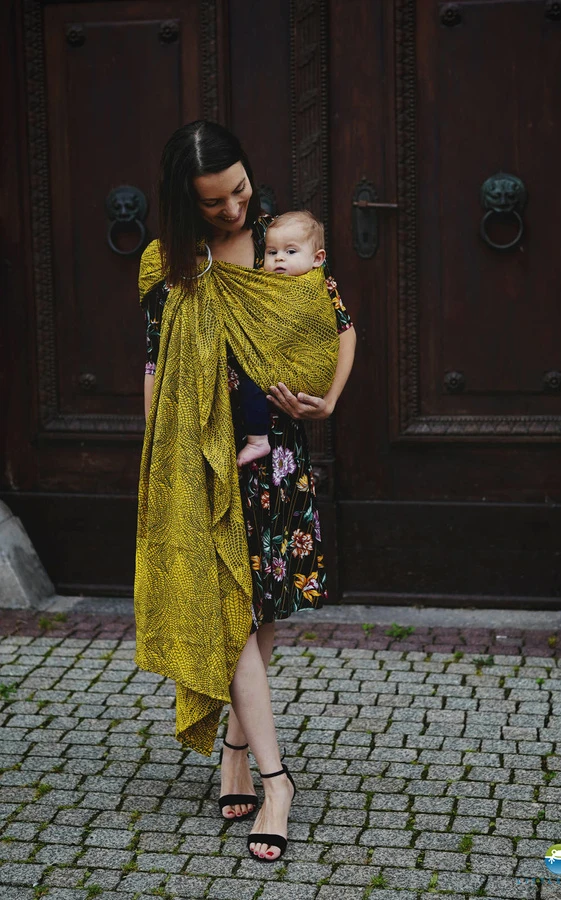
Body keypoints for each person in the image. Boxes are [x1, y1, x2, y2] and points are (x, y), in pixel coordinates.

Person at [136, 120, 356, 863]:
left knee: (258, 615)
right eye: (213, 201)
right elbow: (154, 363)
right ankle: (275, 780)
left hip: (274, 459)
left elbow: (338, 323)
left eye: (239, 190)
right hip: (203, 462)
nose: (233, 209)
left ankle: (234, 749)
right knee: (230, 616)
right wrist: (162, 465)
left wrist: (328, 400)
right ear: (183, 200)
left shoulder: (278, 241)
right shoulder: (168, 263)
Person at [236, 210, 327, 467]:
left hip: (298, 372)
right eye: (272, 252)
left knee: (251, 376)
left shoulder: (311, 288)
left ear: (317, 259)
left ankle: (257, 440)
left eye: (290, 252)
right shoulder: (266, 283)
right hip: (279, 381)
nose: (279, 258)